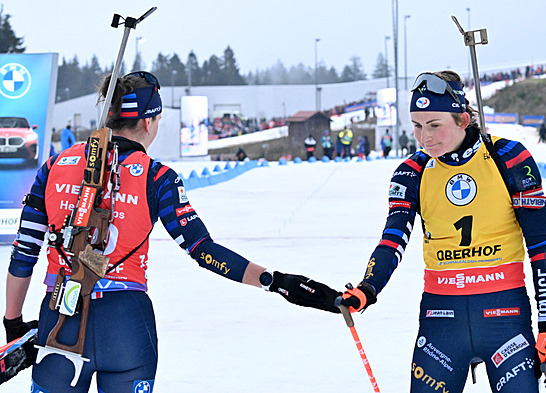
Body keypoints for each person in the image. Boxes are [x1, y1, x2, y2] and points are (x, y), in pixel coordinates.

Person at [3, 71, 341, 393]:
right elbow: (203, 250)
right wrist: (275, 280)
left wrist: (14, 322)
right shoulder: (158, 177)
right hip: (125, 325)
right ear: (148, 122)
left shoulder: (54, 166)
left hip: (60, 317)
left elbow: (24, 254)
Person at [336, 71, 546, 393]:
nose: (424, 138)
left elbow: (541, 248)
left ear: (462, 119)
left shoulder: (509, 158)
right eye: (417, 126)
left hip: (505, 315)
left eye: (434, 125)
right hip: (442, 319)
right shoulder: (412, 172)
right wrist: (368, 287)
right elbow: (393, 239)